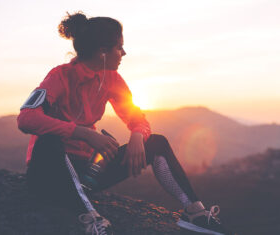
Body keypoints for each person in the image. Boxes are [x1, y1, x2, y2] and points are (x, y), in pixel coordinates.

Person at [17, 12, 232, 235]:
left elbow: (135, 116)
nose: (124, 53)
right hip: (50, 174)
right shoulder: (59, 77)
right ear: (102, 51)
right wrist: (83, 133)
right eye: (119, 47)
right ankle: (91, 219)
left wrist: (138, 135)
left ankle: (195, 213)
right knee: (50, 141)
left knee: (157, 142)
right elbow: (26, 118)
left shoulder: (111, 78)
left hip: (88, 174)